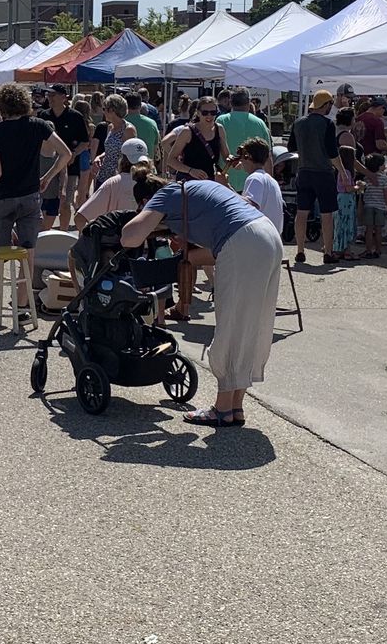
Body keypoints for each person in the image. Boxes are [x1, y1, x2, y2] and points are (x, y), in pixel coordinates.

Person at [121, 177, 284, 427]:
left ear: (146, 200)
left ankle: (221, 410)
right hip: (268, 235)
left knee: (231, 326)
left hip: (242, 241)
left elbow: (130, 237)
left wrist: (144, 222)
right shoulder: (198, 188)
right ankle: (234, 407)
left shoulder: (165, 195)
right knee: (251, 324)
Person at [0, 84, 73, 312]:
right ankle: (23, 308)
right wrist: (47, 176)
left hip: (4, 197)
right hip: (30, 196)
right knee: (28, 253)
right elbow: (66, 153)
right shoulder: (39, 125)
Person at [288, 90, 339, 265]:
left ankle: (300, 250)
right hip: (323, 172)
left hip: (303, 171)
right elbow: (333, 153)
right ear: (326, 105)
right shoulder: (327, 124)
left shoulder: (298, 123)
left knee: (301, 212)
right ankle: (328, 251)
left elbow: (291, 148)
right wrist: (343, 173)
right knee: (327, 214)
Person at [38, 86, 91, 231]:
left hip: (69, 167)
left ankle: (63, 232)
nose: (50, 98)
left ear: (64, 97)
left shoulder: (75, 117)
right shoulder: (43, 116)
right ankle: (45, 231)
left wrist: (73, 154)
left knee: (65, 202)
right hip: (45, 166)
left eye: (53, 95)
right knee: (43, 202)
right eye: (48, 95)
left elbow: (85, 142)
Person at [162, 95, 227, 184]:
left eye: (213, 112)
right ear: (198, 113)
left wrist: (235, 162)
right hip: (188, 180)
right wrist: (190, 170)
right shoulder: (187, 132)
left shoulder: (219, 129)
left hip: (209, 181)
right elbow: (171, 160)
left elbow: (226, 155)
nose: (209, 116)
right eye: (205, 112)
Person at [219, 91, 271, 192]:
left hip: (226, 180)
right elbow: (268, 157)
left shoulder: (221, 121)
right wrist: (269, 181)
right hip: (253, 183)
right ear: (248, 102)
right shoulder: (260, 124)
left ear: (231, 102)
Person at [233, 138, 284, 228]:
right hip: (273, 235)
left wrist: (226, 186)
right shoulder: (272, 181)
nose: (241, 161)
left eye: (242, 157)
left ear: (248, 156)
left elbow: (250, 207)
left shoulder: (255, 178)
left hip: (261, 235)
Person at [95, 95, 138, 184]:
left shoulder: (128, 130)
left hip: (119, 178)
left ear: (112, 110)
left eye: (104, 109)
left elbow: (132, 156)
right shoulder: (110, 127)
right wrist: (99, 157)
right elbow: (110, 150)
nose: (103, 112)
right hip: (104, 176)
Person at [329, 145, 360, 262]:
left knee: (340, 224)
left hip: (340, 198)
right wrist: (358, 187)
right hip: (346, 199)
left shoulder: (337, 171)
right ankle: (346, 250)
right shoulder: (346, 172)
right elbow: (348, 188)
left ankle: (339, 248)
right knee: (346, 223)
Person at [359, 152, 387, 259]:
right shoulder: (385, 178)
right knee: (378, 230)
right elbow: (386, 194)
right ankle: (378, 250)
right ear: (379, 166)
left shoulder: (366, 178)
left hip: (368, 205)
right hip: (380, 207)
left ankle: (368, 250)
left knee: (368, 230)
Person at [124, 92, 160, 163]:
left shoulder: (120, 123)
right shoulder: (152, 123)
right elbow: (156, 148)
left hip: (127, 168)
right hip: (148, 167)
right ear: (140, 105)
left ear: (125, 105)